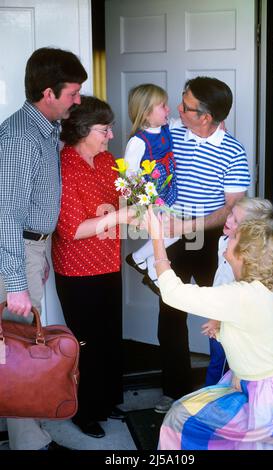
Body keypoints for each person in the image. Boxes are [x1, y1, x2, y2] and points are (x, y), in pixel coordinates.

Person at [145, 208, 273, 450]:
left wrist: (157, 238)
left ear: (242, 256)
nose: (231, 233)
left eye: (236, 236)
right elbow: (266, 331)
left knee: (179, 419)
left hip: (266, 398)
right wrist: (222, 325)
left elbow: (172, 292)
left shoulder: (240, 295)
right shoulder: (268, 286)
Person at [0, 47, 87, 451]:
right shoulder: (20, 137)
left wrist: (42, 252)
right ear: (49, 92)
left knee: (20, 347)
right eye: (73, 92)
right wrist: (17, 282)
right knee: (18, 352)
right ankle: (27, 444)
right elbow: (6, 216)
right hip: (15, 251)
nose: (78, 100)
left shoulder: (45, 129)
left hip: (32, 249)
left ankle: (30, 433)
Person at [153, 76, 251, 413]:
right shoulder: (172, 135)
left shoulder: (233, 152)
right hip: (174, 238)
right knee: (170, 313)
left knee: (222, 315)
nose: (177, 110)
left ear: (206, 117)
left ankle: (219, 392)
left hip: (213, 242)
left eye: (185, 106)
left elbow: (230, 208)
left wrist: (187, 224)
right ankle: (173, 390)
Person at [52, 96, 135, 439]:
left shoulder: (106, 162)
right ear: (84, 131)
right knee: (86, 343)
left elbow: (123, 199)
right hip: (77, 272)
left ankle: (106, 400)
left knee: (109, 338)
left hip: (107, 263)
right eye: (104, 129)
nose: (111, 135)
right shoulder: (64, 168)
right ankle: (84, 410)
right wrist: (120, 215)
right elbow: (72, 230)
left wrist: (138, 199)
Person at [203, 197, 273, 385]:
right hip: (219, 312)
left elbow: (236, 294)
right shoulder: (224, 242)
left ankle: (213, 403)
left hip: (228, 322)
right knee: (218, 361)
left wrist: (217, 319)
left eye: (236, 220)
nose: (228, 220)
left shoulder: (245, 260)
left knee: (220, 366)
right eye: (230, 214)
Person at [124, 84, 178, 295]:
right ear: (146, 113)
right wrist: (143, 203)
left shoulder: (167, 128)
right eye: (163, 106)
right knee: (169, 232)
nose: (168, 109)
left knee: (174, 231)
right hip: (151, 198)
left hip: (167, 192)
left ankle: (140, 259)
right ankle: (147, 267)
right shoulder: (138, 141)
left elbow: (186, 120)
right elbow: (129, 175)